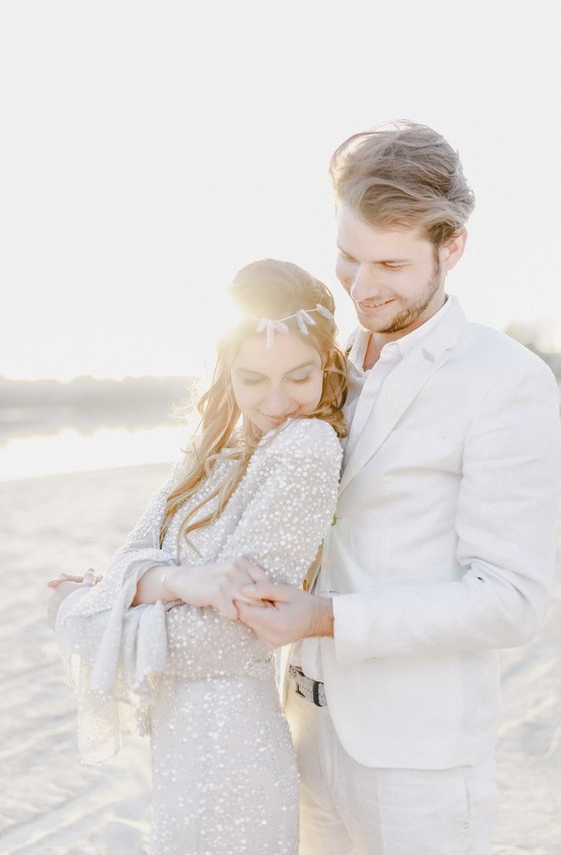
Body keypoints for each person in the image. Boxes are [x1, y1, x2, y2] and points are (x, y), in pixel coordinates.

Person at [237, 123, 561, 854]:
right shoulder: (320, 367)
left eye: (389, 262)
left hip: (419, 767)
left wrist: (325, 618)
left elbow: (512, 599)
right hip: (302, 734)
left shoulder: (506, 382)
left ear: (452, 248)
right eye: (348, 258)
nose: (362, 285)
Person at [47, 259, 349, 855]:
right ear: (227, 371)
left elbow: (230, 640)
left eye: (299, 375)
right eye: (253, 379)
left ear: (327, 365)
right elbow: (132, 554)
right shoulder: (211, 452)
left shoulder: (306, 448)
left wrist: (81, 610)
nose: (279, 400)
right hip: (181, 754)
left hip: (234, 757)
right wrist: (186, 584)